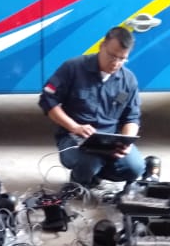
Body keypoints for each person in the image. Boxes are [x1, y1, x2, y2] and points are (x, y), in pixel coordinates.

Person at [38, 25, 146, 191]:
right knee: (89, 162)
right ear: (101, 46)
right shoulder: (72, 68)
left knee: (136, 167)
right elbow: (47, 100)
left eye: (122, 59)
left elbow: (132, 117)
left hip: (109, 140)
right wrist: (74, 127)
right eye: (112, 56)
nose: (116, 63)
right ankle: (80, 179)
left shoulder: (128, 80)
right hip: (74, 137)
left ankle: (95, 175)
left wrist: (126, 142)